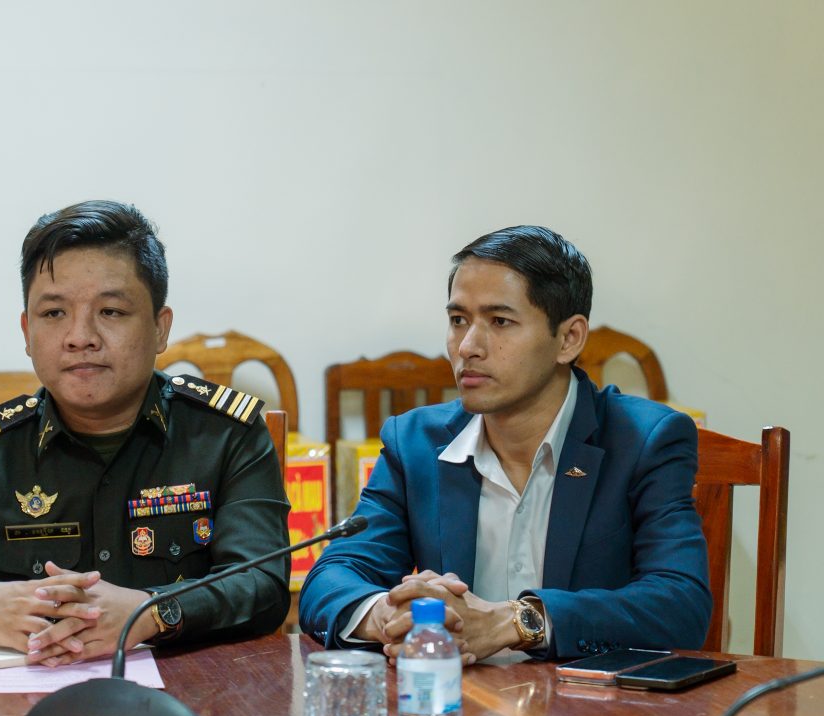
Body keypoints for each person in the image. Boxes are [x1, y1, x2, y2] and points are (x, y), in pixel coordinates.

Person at [0, 200, 291, 665]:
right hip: (26, 695)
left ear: (159, 328)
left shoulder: (227, 435)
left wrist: (152, 612)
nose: (80, 336)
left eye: (111, 311)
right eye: (54, 314)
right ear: (26, 332)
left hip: (191, 692)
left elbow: (263, 586)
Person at [299, 225, 711, 662]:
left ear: (568, 339)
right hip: (458, 697)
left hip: (587, 698)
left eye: (500, 322)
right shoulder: (416, 442)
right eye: (458, 320)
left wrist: (515, 622)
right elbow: (332, 577)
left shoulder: (643, 440)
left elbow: (680, 604)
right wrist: (389, 615)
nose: (468, 347)